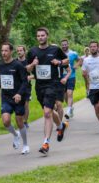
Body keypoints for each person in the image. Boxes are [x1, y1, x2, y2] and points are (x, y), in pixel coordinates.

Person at [26, 27, 69, 155]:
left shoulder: (55, 50)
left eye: (43, 35)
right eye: (38, 36)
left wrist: (59, 61)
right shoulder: (32, 51)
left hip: (53, 84)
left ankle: (46, 143)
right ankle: (61, 126)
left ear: (47, 36)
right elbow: (27, 69)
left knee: (46, 113)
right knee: (48, 112)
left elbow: (67, 60)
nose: (40, 38)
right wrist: (33, 64)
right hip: (39, 86)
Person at [0, 43, 30, 154]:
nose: (3, 53)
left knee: (20, 121)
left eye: (6, 51)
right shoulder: (0, 65)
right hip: (6, 97)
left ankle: (25, 145)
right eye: (2, 51)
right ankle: (16, 135)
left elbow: (25, 81)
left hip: (19, 98)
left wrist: (19, 94)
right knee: (6, 121)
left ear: (11, 52)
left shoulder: (18, 65)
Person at [60, 39, 81, 119]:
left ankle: (68, 111)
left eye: (65, 44)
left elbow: (79, 60)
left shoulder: (73, 53)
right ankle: (71, 108)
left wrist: (77, 65)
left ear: (68, 44)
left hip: (71, 76)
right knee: (65, 95)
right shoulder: (59, 54)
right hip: (62, 77)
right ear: (61, 45)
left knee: (69, 93)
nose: (64, 46)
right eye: (63, 45)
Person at [16, 45, 33, 128]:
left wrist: (29, 77)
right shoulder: (14, 62)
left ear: (24, 51)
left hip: (27, 87)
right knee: (19, 104)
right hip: (17, 87)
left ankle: (25, 121)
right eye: (18, 51)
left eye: (20, 50)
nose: (19, 52)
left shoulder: (28, 62)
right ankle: (20, 121)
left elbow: (35, 75)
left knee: (26, 104)